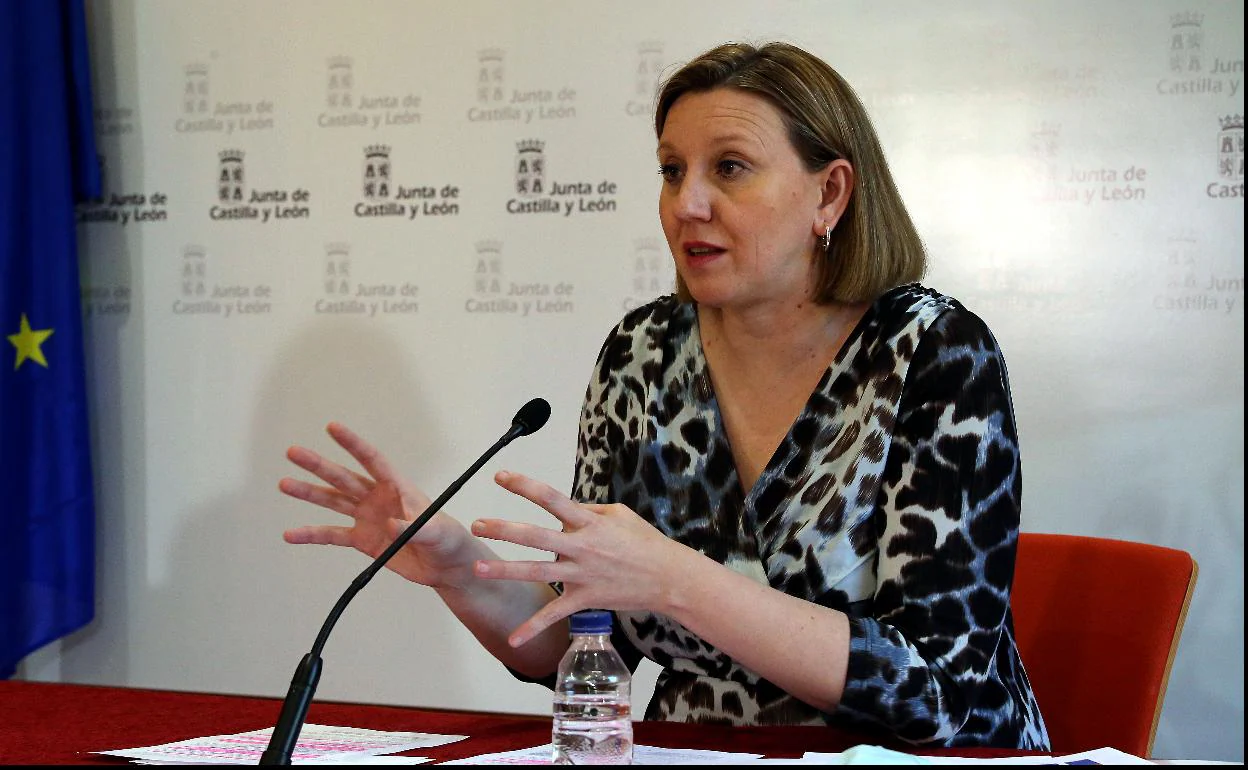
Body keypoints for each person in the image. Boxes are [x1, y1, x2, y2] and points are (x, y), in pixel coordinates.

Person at [278, 41, 1050, 750]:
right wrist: (458, 566)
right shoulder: (642, 355)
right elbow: (582, 642)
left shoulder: (934, 354)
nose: (686, 204)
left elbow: (937, 693)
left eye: (731, 168)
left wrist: (678, 580)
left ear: (830, 194)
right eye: (672, 169)